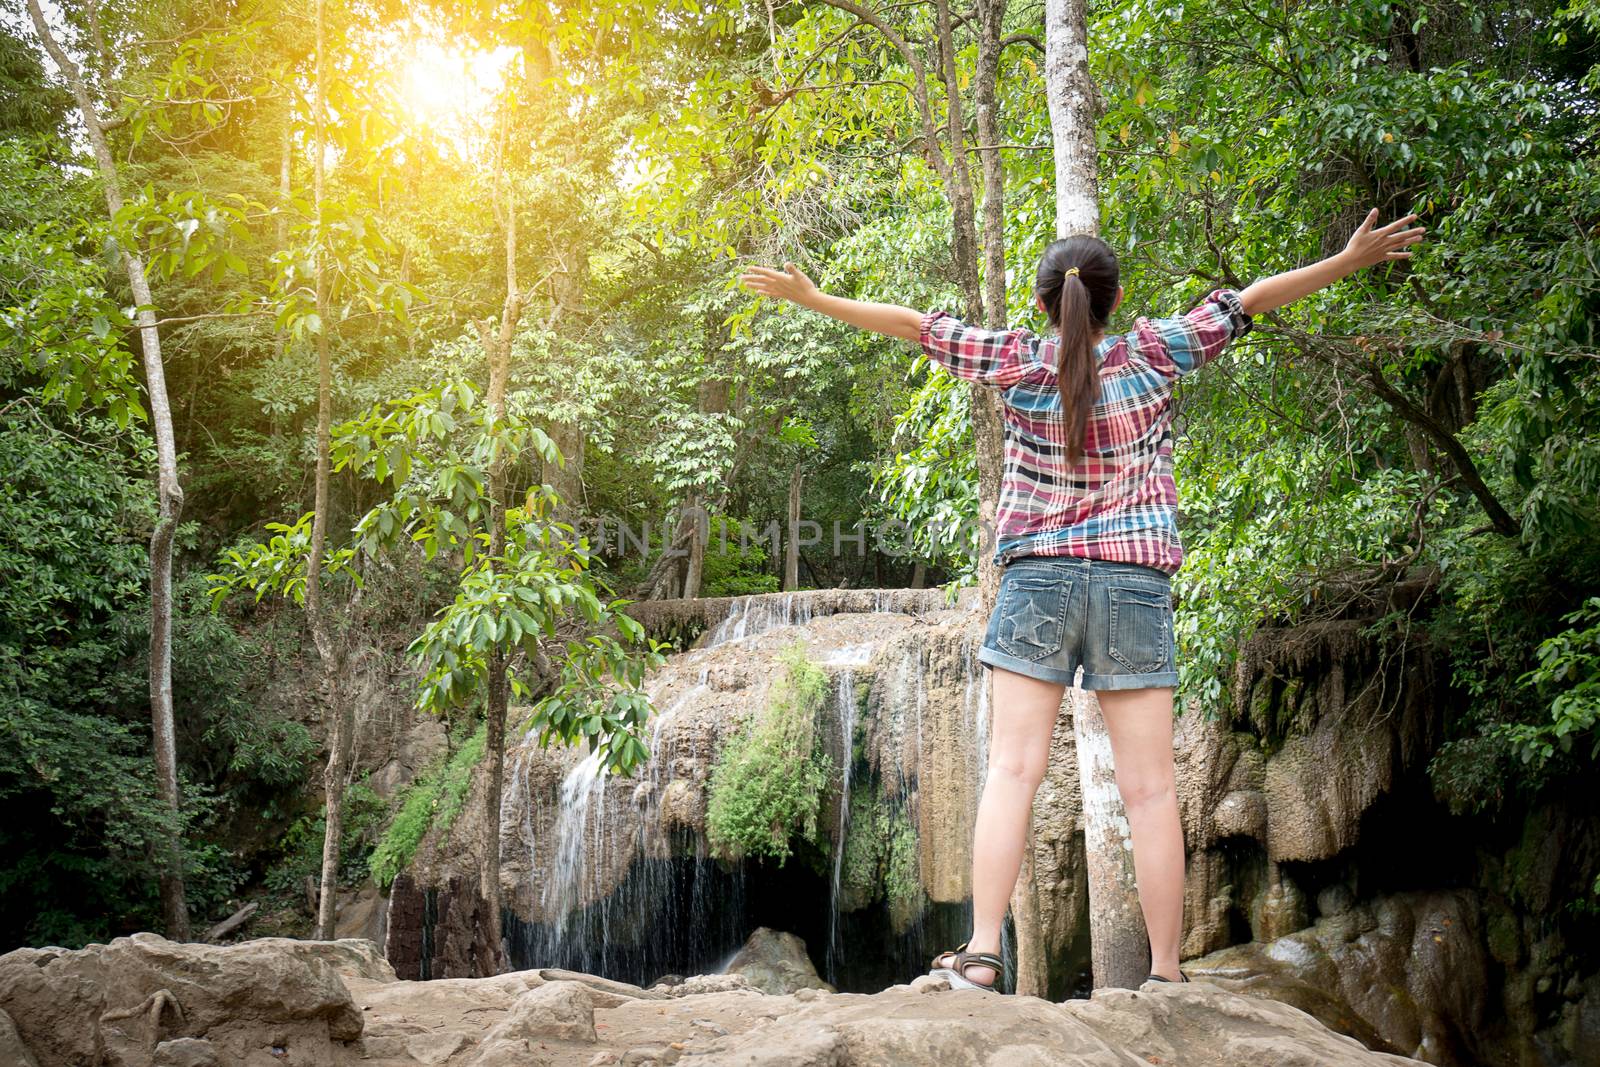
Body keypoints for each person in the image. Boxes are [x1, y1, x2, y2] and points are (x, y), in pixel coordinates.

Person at [738, 208, 1426, 991]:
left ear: (1043, 305)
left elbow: (915, 325)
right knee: (1153, 789)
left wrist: (816, 297)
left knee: (1011, 771)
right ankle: (1166, 973)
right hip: (1134, 584)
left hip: (1037, 582)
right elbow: (1251, 299)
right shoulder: (1154, 354)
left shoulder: (1014, 361)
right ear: (1115, 299)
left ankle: (985, 951)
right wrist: (1346, 259)